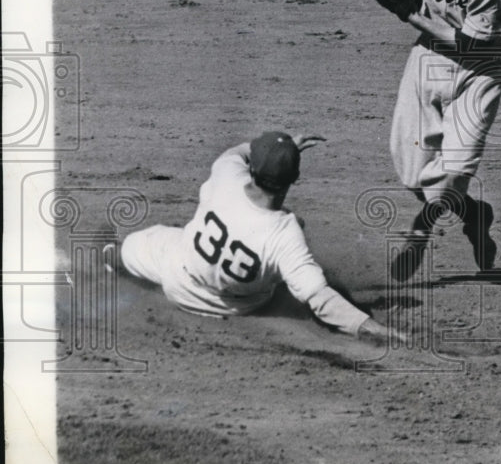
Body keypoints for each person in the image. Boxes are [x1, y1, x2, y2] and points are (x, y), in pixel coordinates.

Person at [358, 0, 501, 281]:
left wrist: (410, 13)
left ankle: (422, 229)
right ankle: (474, 213)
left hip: (479, 71)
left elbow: (468, 44)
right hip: (427, 60)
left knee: (456, 168)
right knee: (412, 170)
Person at [110, 131, 404, 343]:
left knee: (146, 242)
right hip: (239, 307)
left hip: (179, 281)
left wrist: (284, 143)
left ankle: (110, 256)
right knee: (299, 275)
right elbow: (322, 300)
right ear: (294, 180)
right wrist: (375, 330)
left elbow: (238, 152)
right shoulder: (286, 234)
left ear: (251, 169)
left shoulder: (227, 172)